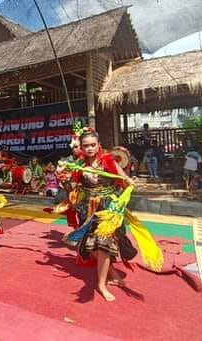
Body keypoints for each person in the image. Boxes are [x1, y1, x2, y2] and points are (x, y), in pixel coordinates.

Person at [58, 124, 162, 302]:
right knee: (93, 248)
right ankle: (112, 274)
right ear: (81, 148)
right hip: (88, 209)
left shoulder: (108, 160)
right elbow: (73, 189)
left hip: (107, 209)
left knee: (104, 245)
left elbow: (123, 179)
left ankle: (101, 284)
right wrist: (64, 181)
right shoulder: (79, 165)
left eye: (93, 145)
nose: (89, 148)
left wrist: (130, 182)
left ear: (99, 144)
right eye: (86, 146)